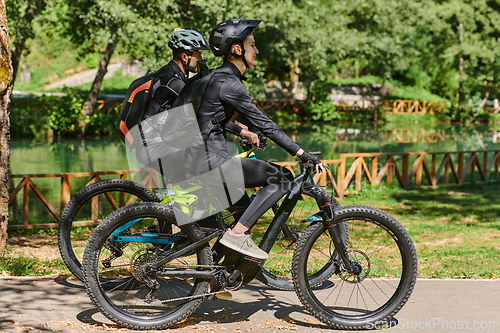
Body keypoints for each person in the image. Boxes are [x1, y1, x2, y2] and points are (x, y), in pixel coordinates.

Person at [183, 18, 324, 260]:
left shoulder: (212, 78)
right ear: (238, 49)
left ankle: (217, 269)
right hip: (210, 162)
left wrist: (242, 131)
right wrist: (301, 153)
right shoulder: (230, 83)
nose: (256, 50)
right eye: (253, 45)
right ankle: (238, 235)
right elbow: (265, 123)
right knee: (282, 178)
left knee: (241, 206)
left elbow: (206, 118)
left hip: (191, 160)